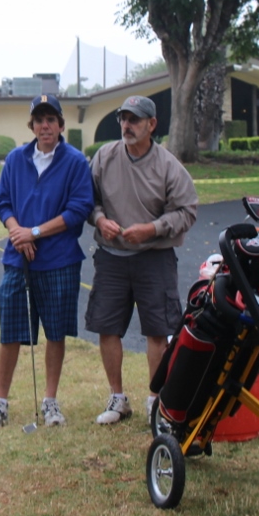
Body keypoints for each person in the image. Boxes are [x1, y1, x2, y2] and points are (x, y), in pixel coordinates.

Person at [0, 94, 94, 430]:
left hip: (59, 260)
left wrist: (34, 232)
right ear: (31, 125)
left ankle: (50, 400)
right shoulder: (16, 159)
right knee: (10, 331)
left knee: (55, 332)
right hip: (18, 260)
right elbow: (2, 200)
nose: (45, 126)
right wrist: (17, 232)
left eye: (51, 119)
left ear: (61, 125)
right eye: (39, 120)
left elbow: (78, 210)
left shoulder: (75, 162)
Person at [86, 95, 198, 424]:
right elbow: (87, 199)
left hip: (154, 258)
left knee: (157, 331)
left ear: (152, 124)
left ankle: (156, 399)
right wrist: (99, 219)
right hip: (111, 258)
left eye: (134, 119)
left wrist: (152, 229)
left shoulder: (168, 166)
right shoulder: (104, 156)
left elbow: (187, 210)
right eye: (123, 118)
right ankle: (117, 398)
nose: (126, 125)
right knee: (107, 327)